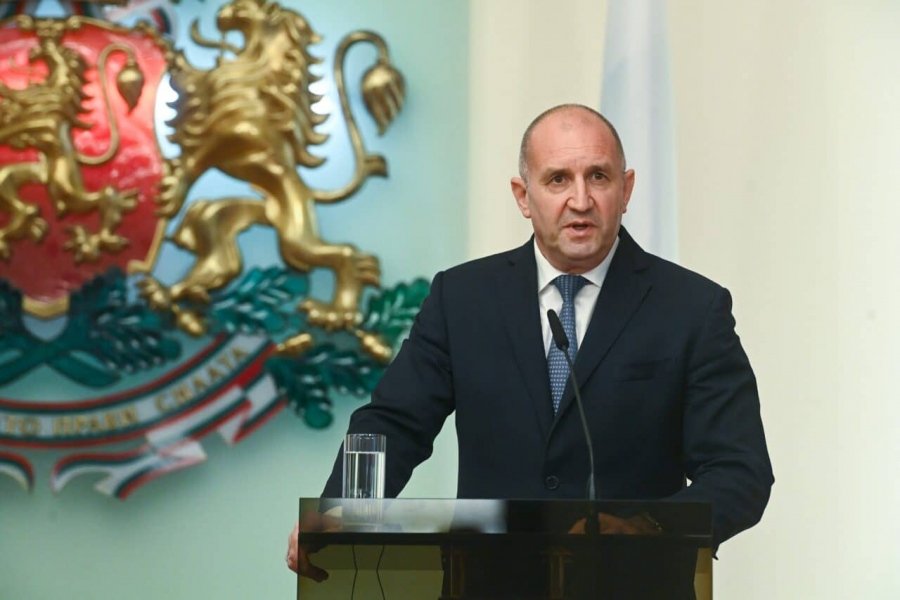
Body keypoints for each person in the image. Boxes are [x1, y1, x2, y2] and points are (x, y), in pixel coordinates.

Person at [286, 104, 774, 584]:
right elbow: (396, 421)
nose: (580, 200)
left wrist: (651, 528)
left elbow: (739, 470)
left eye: (598, 177)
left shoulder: (691, 307)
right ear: (523, 196)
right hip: (490, 583)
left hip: (633, 585)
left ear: (626, 190)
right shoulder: (462, 298)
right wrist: (340, 510)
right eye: (558, 179)